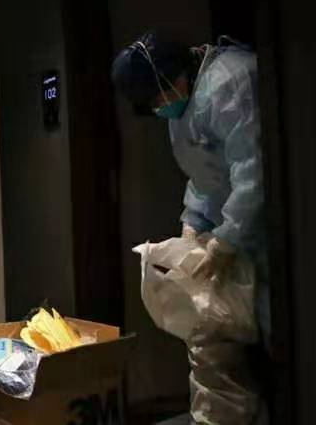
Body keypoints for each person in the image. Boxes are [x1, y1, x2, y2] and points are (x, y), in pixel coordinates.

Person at [112, 30, 268, 424]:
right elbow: (203, 176)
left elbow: (253, 172)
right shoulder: (185, 102)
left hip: (265, 232)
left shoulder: (229, 85)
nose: (159, 107)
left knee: (276, 341)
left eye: (158, 97)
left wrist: (225, 240)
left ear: (172, 73)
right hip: (238, 234)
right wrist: (193, 224)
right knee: (225, 343)